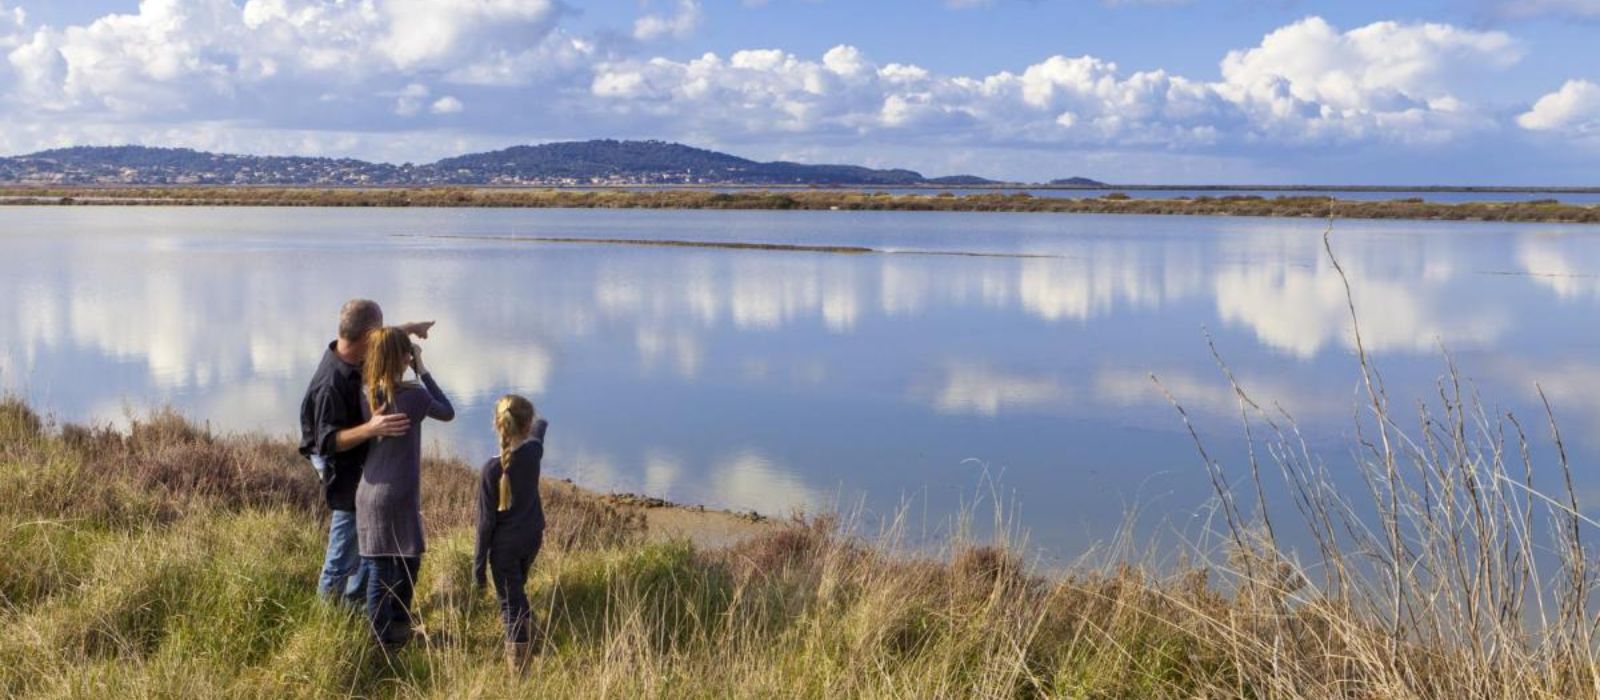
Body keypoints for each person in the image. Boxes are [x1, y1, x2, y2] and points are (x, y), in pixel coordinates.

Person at [298, 299, 433, 605]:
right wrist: (372, 428)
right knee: (342, 553)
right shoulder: (331, 384)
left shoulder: (352, 351)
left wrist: (408, 329)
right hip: (340, 466)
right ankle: (325, 624)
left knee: (364, 546)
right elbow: (326, 441)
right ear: (368, 335)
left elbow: (376, 340)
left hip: (360, 462)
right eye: (380, 330)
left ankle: (356, 609)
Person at [357, 326, 455, 651]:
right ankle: (384, 639)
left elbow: (379, 347)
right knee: (398, 563)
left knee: (385, 565)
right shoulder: (414, 396)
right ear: (405, 358)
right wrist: (422, 368)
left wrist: (396, 339)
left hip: (368, 493)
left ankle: (389, 633)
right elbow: (447, 411)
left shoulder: (365, 393)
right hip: (396, 494)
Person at [474, 394, 549, 674]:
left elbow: (484, 525)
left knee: (509, 604)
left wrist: (478, 569)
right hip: (532, 539)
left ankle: (520, 672)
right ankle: (531, 640)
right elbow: (540, 430)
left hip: (504, 549)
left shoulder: (491, 470)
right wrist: (536, 422)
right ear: (527, 426)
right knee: (516, 592)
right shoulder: (533, 453)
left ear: (497, 425)